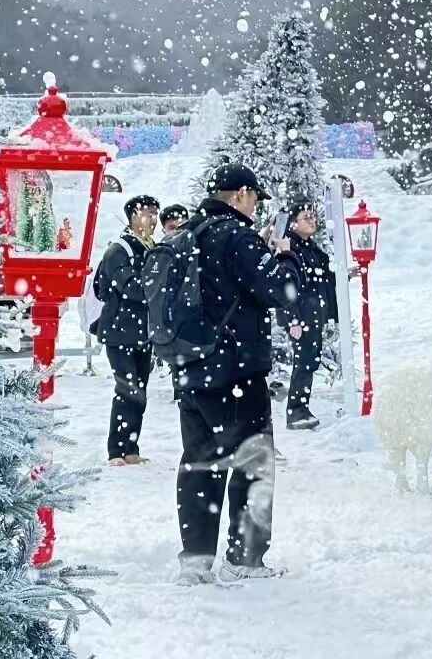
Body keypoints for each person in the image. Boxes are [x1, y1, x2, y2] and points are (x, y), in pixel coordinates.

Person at [173, 163, 302, 586]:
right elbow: (281, 291)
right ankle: (245, 558)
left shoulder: (188, 234)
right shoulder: (237, 237)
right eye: (254, 198)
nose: (255, 206)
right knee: (254, 462)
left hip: (191, 367)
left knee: (199, 463)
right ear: (241, 194)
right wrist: (282, 253)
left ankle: (195, 560)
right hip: (235, 370)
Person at [94, 194, 160, 466]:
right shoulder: (119, 249)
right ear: (133, 215)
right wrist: (158, 284)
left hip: (142, 332)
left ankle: (131, 448)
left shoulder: (151, 246)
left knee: (139, 391)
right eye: (148, 213)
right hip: (120, 331)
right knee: (126, 389)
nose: (154, 219)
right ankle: (115, 450)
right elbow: (132, 288)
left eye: (156, 213)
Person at [281, 202, 338, 431]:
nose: (312, 221)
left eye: (313, 217)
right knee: (304, 362)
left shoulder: (311, 248)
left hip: (314, 315)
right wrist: (292, 318)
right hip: (302, 316)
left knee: (309, 361)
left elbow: (326, 275)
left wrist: (346, 275)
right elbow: (287, 285)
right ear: (294, 223)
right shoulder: (291, 249)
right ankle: (296, 411)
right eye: (306, 217)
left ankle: (301, 408)